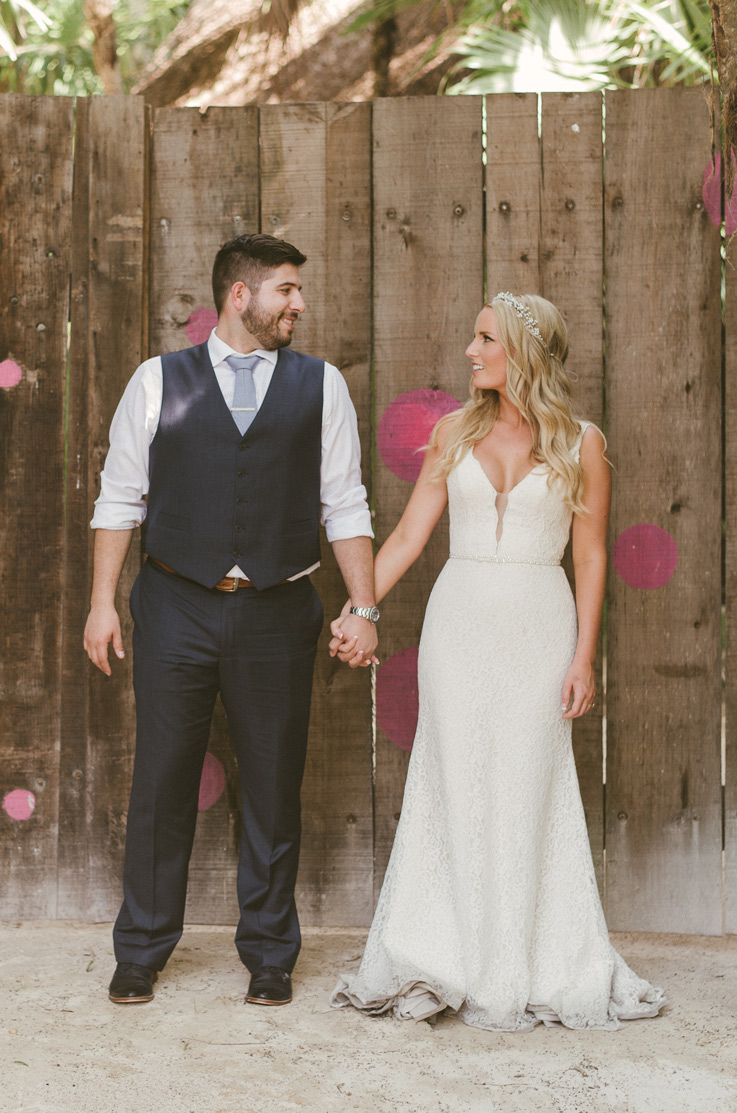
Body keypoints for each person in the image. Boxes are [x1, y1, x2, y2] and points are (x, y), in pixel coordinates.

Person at [329, 293, 666, 1031]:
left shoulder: (582, 444)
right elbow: (410, 536)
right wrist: (361, 608)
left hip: (539, 632)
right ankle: (440, 951)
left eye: (484, 338)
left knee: (525, 784)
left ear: (523, 352)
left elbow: (590, 553)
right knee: (453, 779)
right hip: (458, 627)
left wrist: (582, 656)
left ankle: (522, 959)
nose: (470, 350)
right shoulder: (451, 431)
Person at [84, 233, 379, 1008]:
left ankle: (270, 952)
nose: (299, 305)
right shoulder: (156, 381)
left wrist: (365, 604)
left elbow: (343, 503)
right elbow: (120, 498)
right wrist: (100, 603)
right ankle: (141, 948)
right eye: (287, 289)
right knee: (161, 780)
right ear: (239, 295)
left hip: (280, 610)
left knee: (274, 785)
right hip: (175, 602)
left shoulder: (322, 387)